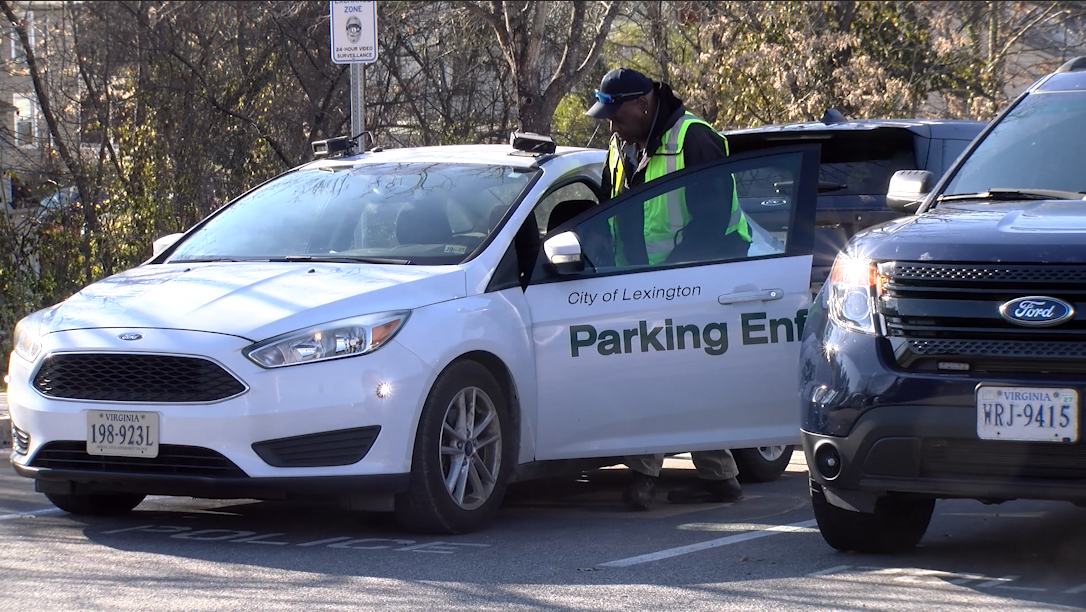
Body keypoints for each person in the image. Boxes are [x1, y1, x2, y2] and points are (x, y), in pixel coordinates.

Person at [585, 67, 749, 510]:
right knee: (683, 378)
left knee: (654, 375)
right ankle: (721, 476)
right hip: (636, 285)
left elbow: (715, 225)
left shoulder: (694, 139)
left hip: (693, 282)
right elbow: (607, 211)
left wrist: (671, 282)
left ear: (643, 104)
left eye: (616, 115)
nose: (612, 126)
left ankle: (643, 475)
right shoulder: (622, 147)